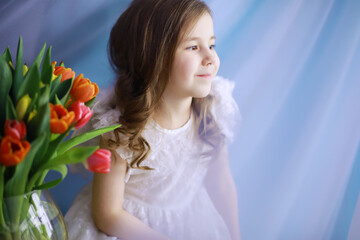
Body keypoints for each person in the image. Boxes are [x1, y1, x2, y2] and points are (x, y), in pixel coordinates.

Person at [65, 0, 241, 239]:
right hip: (128, 228)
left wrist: (235, 234)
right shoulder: (123, 131)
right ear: (153, 59)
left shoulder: (212, 109)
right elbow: (108, 215)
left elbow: (221, 182)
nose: (210, 57)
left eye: (212, 44)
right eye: (193, 47)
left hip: (190, 220)